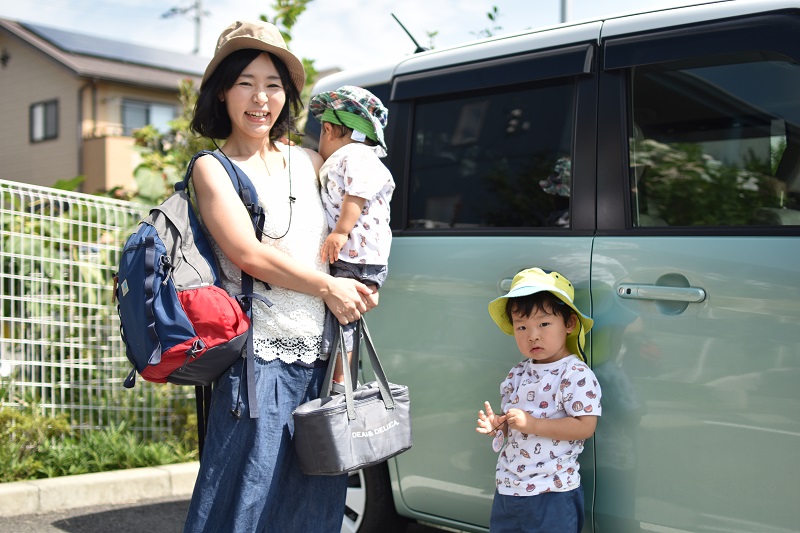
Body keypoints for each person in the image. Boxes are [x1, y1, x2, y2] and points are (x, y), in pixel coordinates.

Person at [182, 20, 377, 533]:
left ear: (286, 95)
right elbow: (248, 254)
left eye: (272, 85)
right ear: (223, 91)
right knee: (243, 505)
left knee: (311, 508)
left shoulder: (312, 160)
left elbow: (364, 211)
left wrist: (363, 279)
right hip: (257, 364)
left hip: (324, 359)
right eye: (245, 82)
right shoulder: (214, 168)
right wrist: (329, 286)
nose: (260, 98)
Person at [476, 268, 602, 533]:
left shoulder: (575, 374)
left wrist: (532, 424)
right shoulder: (518, 373)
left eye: (544, 324)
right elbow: (515, 424)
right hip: (509, 488)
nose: (532, 335)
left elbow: (585, 426)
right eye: (522, 327)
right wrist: (499, 425)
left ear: (569, 323)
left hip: (552, 492)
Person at [308, 85, 395, 387]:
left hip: (354, 253)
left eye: (320, 134)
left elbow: (356, 194)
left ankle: (341, 380)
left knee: (341, 317)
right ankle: (342, 375)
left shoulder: (355, 154)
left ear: (329, 130)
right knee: (347, 315)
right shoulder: (358, 155)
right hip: (361, 256)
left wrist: (340, 231)